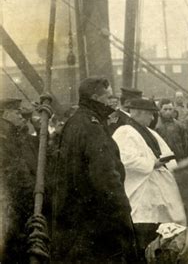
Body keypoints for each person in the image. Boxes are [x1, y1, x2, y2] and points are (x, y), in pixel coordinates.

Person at [51, 77, 136, 262]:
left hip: (76, 214)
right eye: (109, 96)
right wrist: (122, 210)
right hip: (96, 215)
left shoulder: (74, 122)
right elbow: (105, 175)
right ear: (97, 97)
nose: (111, 102)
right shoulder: (93, 126)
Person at [112, 98, 186, 261]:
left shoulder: (149, 132)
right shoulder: (125, 132)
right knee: (144, 229)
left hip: (158, 188)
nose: (153, 119)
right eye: (150, 115)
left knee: (162, 230)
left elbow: (167, 153)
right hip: (141, 190)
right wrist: (152, 163)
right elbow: (125, 159)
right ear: (137, 113)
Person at [0, 98, 45, 263]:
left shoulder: (16, 135)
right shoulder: (5, 138)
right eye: (17, 113)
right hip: (12, 208)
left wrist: (40, 126)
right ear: (5, 114)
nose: (21, 117)